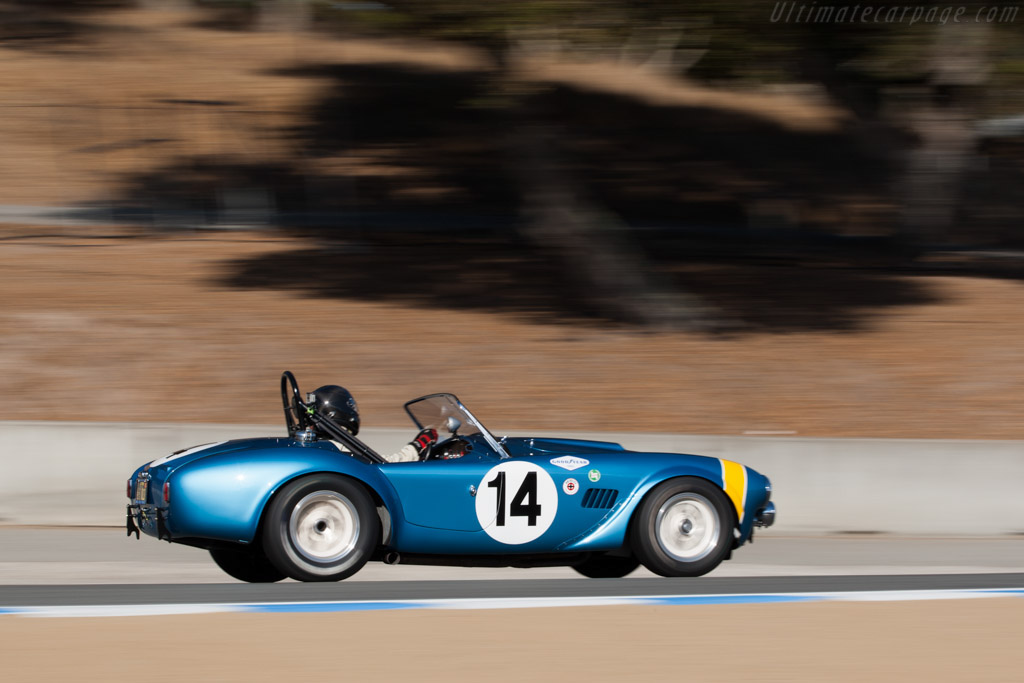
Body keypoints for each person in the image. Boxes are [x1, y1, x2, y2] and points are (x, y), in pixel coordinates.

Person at [311, 385, 437, 462]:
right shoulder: (336, 446)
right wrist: (417, 445)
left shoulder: (318, 444)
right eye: (351, 406)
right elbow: (383, 464)